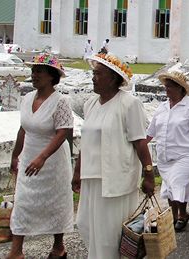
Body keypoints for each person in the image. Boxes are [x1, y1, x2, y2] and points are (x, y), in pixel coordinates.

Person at [72, 53, 155, 259]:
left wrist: (149, 173)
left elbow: (140, 141)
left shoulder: (129, 104)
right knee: (86, 225)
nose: (93, 78)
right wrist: (77, 171)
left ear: (113, 78)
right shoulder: (90, 104)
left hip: (115, 180)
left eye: (98, 74)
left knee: (108, 235)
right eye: (93, 73)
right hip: (91, 178)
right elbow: (86, 141)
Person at [8, 53, 73, 259]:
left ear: (52, 76)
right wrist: (15, 155)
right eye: (33, 71)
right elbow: (23, 129)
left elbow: (63, 132)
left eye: (39, 72)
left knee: (55, 202)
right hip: (29, 157)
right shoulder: (27, 98)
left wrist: (43, 157)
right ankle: (16, 251)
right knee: (23, 201)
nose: (34, 75)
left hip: (52, 161)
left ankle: (58, 246)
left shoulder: (60, 101)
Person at [146, 71, 189, 232]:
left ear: (180, 88)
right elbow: (150, 132)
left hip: (187, 155)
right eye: (166, 86)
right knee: (168, 188)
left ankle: (181, 214)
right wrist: (138, 146)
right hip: (165, 156)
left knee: (176, 182)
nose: (167, 89)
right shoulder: (162, 107)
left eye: (170, 86)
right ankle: (176, 216)